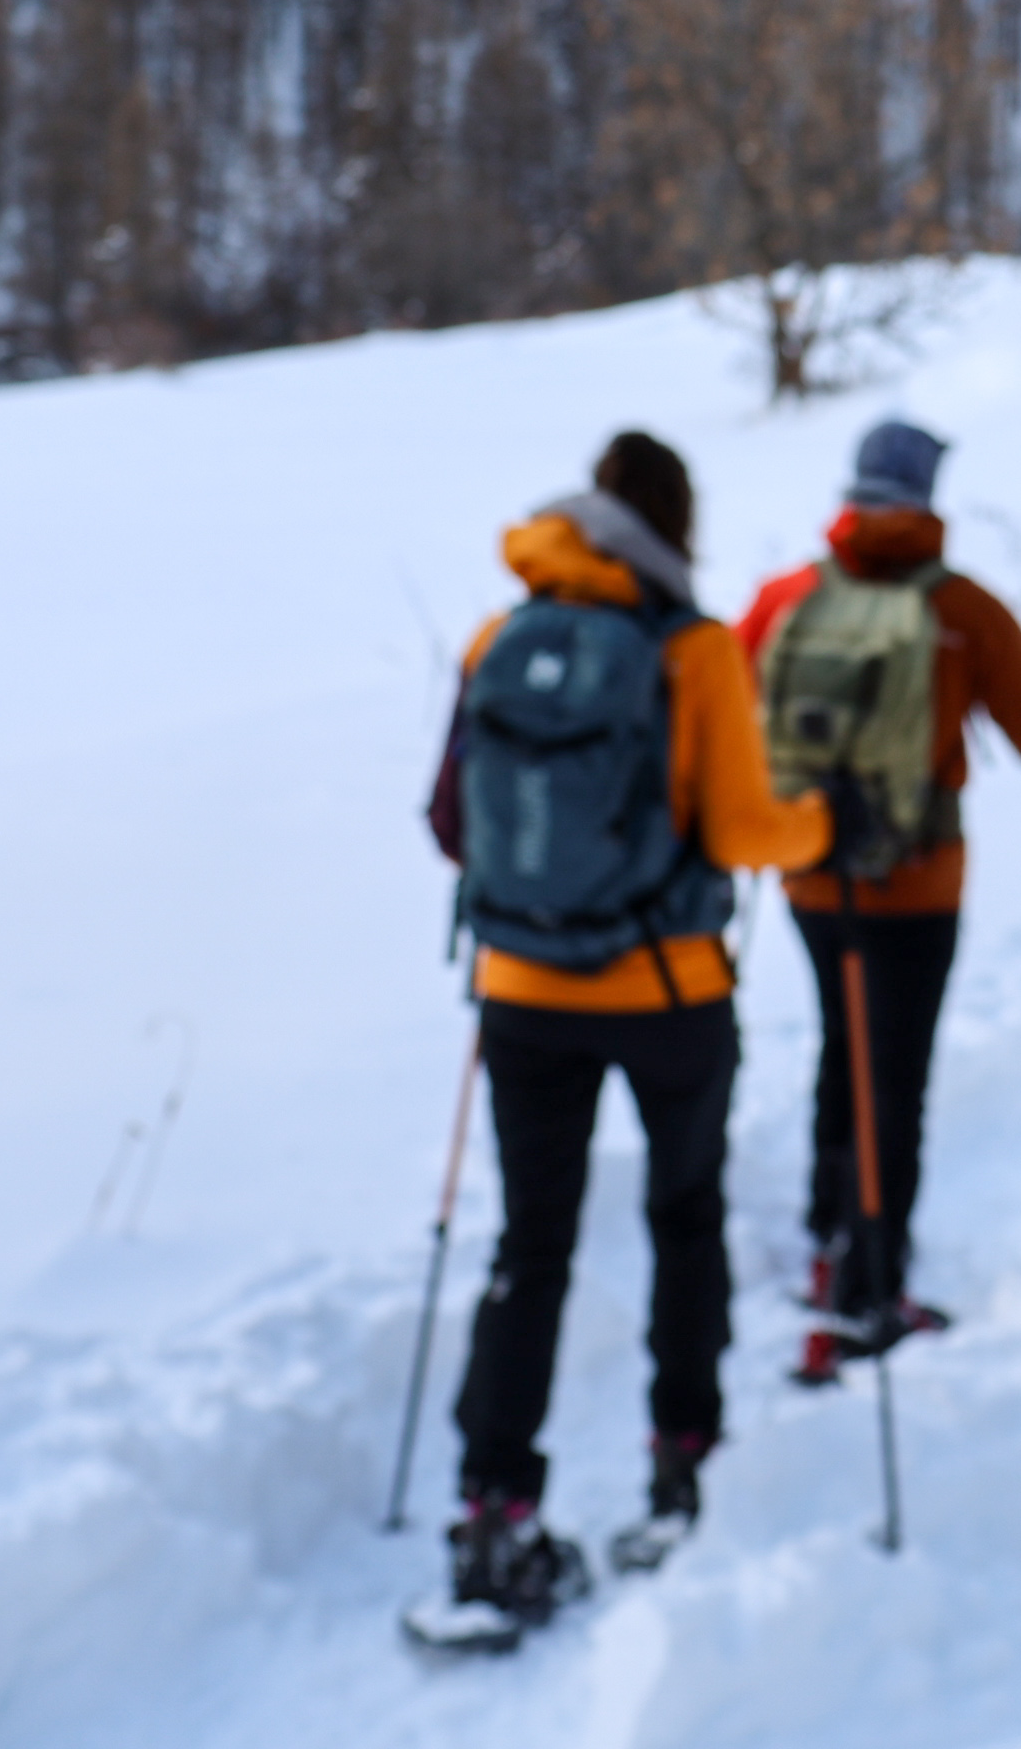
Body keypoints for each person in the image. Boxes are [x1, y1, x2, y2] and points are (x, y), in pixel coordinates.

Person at [407, 431, 831, 1651]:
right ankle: (681, 1466)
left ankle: (492, 1513)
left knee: (528, 1245)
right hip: (667, 989)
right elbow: (748, 829)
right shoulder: (691, 649)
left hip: (521, 993)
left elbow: (450, 821)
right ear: (675, 525)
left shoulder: (501, 637)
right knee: (683, 1215)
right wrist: (817, 826)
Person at [737, 417, 1021, 1381]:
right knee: (897, 1068)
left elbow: (726, 700)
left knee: (843, 1046)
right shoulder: (961, 607)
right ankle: (871, 1279)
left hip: (811, 875)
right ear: (927, 495)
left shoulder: (786, 598)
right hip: (917, 883)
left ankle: (823, 1234)